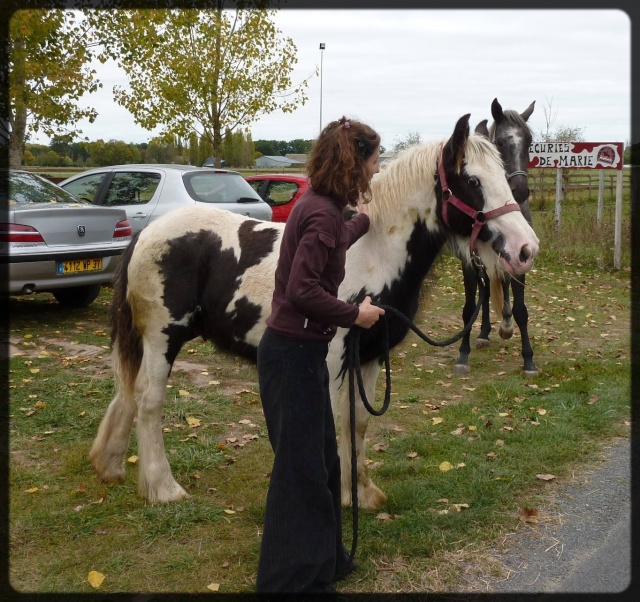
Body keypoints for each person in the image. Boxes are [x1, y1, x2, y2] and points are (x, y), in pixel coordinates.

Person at [256, 116, 385, 594]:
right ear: (355, 161)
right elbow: (303, 288)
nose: (376, 169)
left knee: (323, 462)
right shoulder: (322, 212)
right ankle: (295, 582)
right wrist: (356, 315)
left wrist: (365, 222)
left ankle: (326, 560)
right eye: (374, 159)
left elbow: (330, 248)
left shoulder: (323, 207)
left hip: (300, 356)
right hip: (291, 358)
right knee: (301, 471)